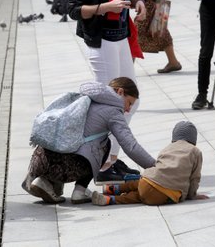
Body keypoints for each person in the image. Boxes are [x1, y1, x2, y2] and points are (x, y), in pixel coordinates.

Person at [21, 77, 156, 204]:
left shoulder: (86, 97)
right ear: (120, 92)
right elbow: (130, 146)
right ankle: (79, 191)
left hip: (40, 159)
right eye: (129, 103)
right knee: (105, 144)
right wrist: (155, 166)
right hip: (65, 167)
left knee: (74, 142)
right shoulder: (114, 112)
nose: (128, 109)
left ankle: (43, 180)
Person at [68, 0, 147, 179]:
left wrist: (138, 1)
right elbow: (74, 10)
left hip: (121, 38)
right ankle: (103, 164)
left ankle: (110, 158)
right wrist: (104, 8)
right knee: (110, 106)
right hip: (101, 41)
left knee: (132, 101)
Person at [92, 121, 209, 206]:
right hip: (164, 194)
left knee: (137, 184)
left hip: (147, 181)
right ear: (193, 139)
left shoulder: (168, 148)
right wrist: (192, 195)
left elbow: (157, 165)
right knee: (136, 197)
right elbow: (195, 177)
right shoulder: (195, 152)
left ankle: (111, 188)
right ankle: (110, 200)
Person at [134, 0, 182, 73]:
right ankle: (173, 62)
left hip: (152, 1)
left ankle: (127, 70)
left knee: (136, 32)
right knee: (159, 31)